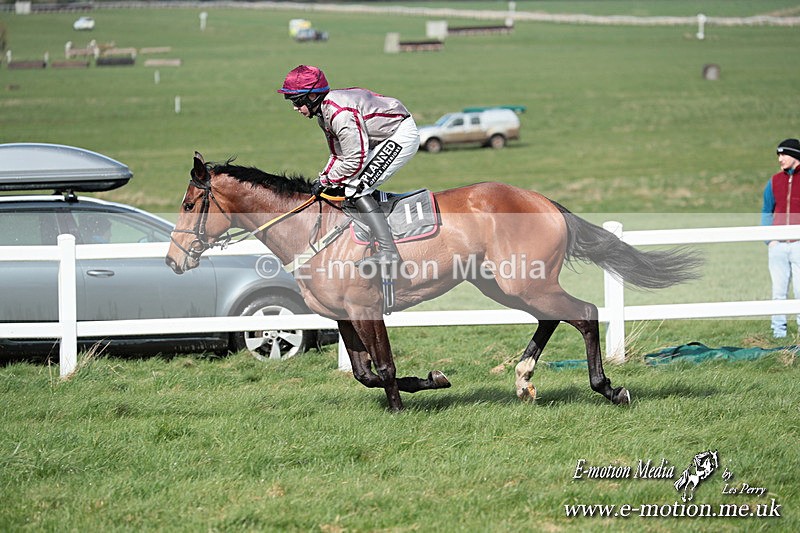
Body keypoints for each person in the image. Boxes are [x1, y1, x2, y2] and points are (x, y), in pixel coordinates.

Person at [278, 65, 420, 266]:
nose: (294, 107)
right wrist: (323, 177)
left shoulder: (339, 114)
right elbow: (338, 155)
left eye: (296, 101)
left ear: (311, 97)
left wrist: (328, 179)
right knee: (345, 184)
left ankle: (389, 252)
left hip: (400, 134)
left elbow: (355, 159)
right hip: (380, 136)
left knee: (356, 188)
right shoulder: (324, 114)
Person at [761, 138, 800, 338]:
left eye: (783, 154)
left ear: (795, 155)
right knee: (778, 290)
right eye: (778, 155)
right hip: (777, 245)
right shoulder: (774, 181)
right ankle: (778, 332)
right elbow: (767, 210)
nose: (780, 159)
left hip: (798, 244)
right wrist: (770, 238)